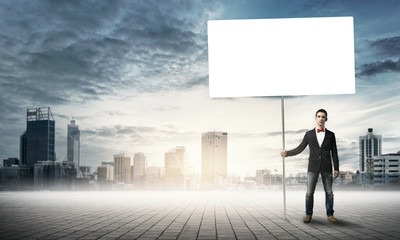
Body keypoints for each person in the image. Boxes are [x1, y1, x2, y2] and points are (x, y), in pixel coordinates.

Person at [281, 109, 339, 223]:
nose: (321, 119)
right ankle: (308, 214)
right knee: (309, 193)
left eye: (323, 117)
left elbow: (334, 152)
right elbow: (300, 148)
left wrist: (336, 167)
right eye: (319, 116)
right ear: (315, 118)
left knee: (329, 192)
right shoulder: (309, 134)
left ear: (326, 119)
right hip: (312, 167)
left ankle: (330, 215)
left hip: (327, 167)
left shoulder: (331, 135)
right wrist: (287, 153)